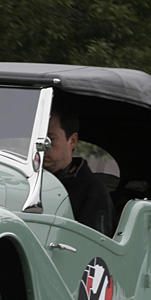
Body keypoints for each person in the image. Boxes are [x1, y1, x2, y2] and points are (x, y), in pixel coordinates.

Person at [44, 100, 116, 236]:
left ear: (72, 141)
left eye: (49, 139)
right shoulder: (25, 180)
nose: (41, 147)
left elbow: (95, 248)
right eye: (37, 139)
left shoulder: (93, 191)